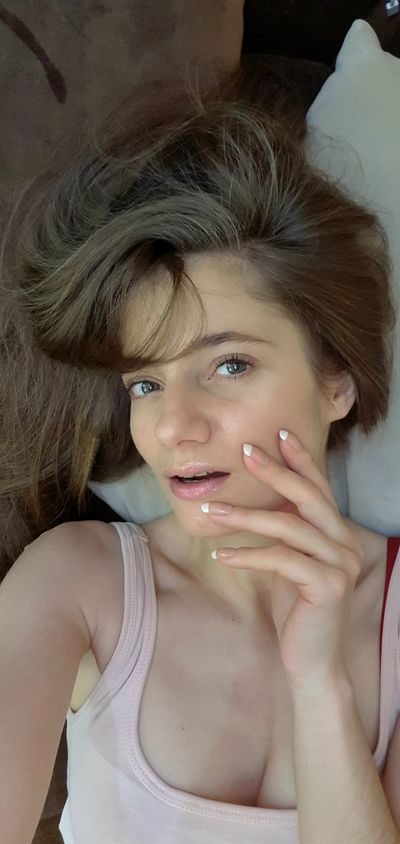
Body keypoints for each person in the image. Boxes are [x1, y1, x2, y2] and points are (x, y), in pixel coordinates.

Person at [1, 85, 399, 844]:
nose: (173, 427)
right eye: (145, 384)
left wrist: (319, 681)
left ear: (336, 381)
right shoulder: (74, 582)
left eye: (229, 365)